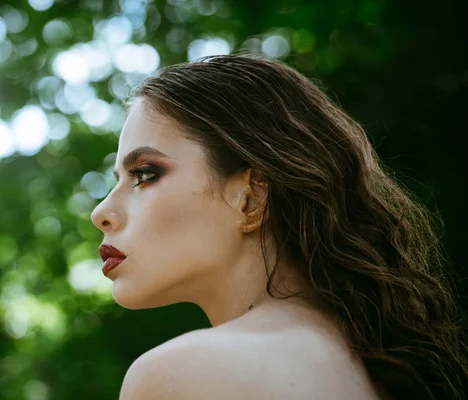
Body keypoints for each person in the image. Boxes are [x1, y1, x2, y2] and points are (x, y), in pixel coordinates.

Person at [90, 55, 468, 399]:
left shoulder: (180, 373)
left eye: (144, 174)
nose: (102, 212)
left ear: (251, 196)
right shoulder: (383, 371)